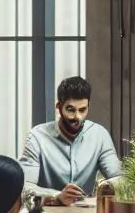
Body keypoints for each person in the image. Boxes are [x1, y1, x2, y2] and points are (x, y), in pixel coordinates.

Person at [20, 76, 123, 205]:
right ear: (59, 107)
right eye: (70, 110)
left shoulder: (99, 135)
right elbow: (25, 188)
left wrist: (109, 187)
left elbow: (117, 178)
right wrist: (56, 196)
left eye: (82, 110)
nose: (77, 117)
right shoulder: (37, 136)